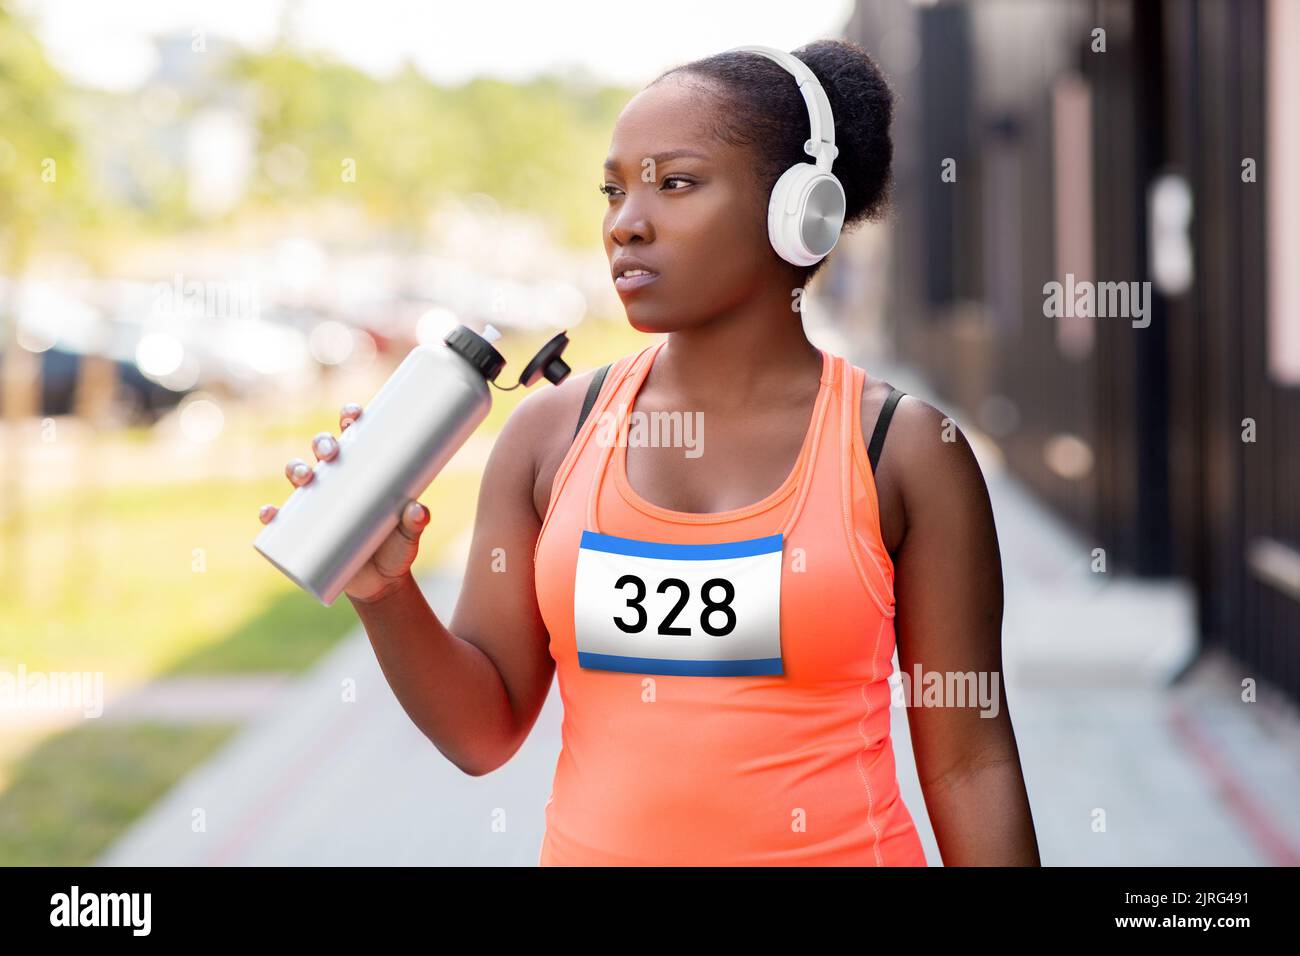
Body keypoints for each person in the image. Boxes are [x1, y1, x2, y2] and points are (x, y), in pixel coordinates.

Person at [258, 38, 1039, 866]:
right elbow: (483, 734)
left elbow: (971, 764)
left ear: (799, 210)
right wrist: (385, 591)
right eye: (613, 188)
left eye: (674, 182)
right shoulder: (547, 436)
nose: (625, 221)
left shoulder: (906, 451)